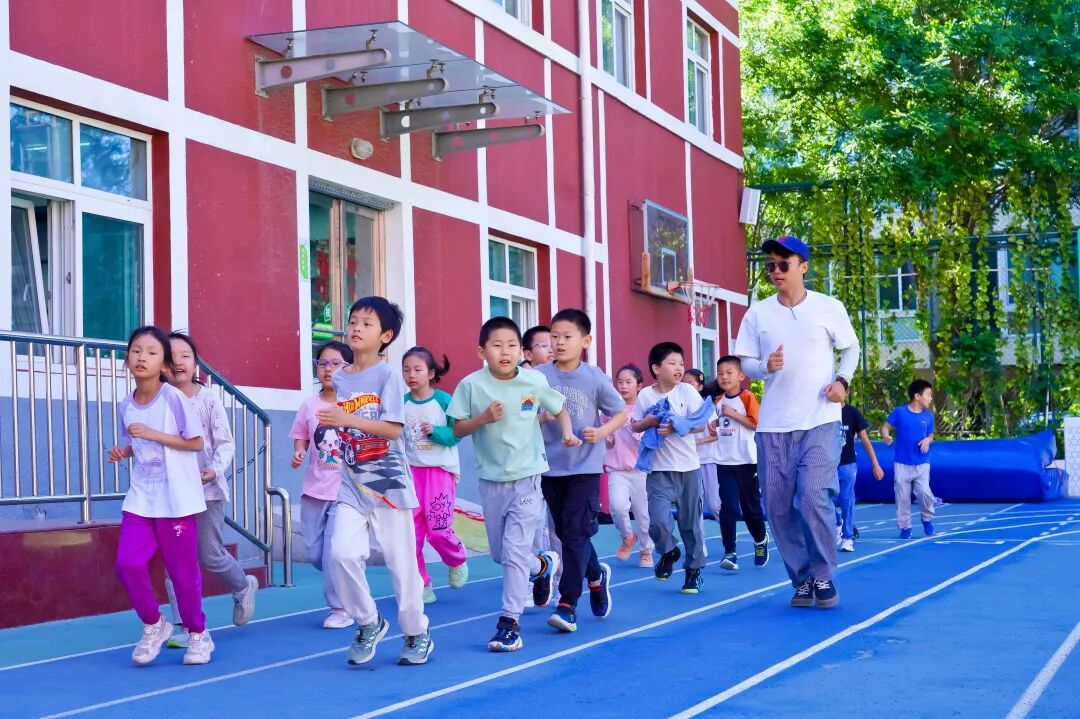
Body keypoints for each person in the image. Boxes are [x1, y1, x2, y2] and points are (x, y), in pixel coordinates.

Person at [734, 235, 859, 609]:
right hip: (773, 427)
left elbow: (851, 347)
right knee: (777, 507)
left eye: (783, 264)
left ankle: (822, 574)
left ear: (803, 267)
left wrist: (842, 381)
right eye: (770, 265)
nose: (775, 271)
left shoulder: (828, 307)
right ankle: (802, 578)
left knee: (813, 496)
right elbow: (746, 362)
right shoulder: (758, 313)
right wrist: (764, 366)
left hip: (820, 421)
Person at [448, 316, 578, 652]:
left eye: (511, 346)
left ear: (520, 351)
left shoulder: (533, 381)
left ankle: (509, 624)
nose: (504, 352)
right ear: (482, 351)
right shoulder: (470, 385)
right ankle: (542, 565)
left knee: (515, 552)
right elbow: (457, 428)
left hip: (528, 477)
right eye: (496, 345)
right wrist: (482, 419)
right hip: (492, 481)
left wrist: (567, 432)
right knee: (500, 554)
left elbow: (559, 409)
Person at [318, 297, 433, 667]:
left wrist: (346, 420)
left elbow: (393, 429)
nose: (356, 328)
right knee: (340, 554)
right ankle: (369, 621)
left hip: (387, 483)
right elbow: (336, 422)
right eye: (353, 320)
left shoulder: (388, 376)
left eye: (367, 323)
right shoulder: (339, 377)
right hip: (351, 482)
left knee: (402, 564)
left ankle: (416, 632)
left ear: (385, 336)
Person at [108, 326, 211, 666]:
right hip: (141, 497)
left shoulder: (174, 398)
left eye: (151, 353)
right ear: (127, 359)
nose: (142, 357)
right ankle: (154, 624)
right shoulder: (126, 404)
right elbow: (138, 442)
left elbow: (196, 442)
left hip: (176, 499)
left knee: (182, 574)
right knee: (127, 564)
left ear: (164, 363)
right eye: (136, 351)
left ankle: (198, 634)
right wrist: (124, 450)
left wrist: (154, 434)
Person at [163, 332, 258, 650]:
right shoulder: (159, 400)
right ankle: (183, 624)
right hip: (171, 495)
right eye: (171, 356)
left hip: (207, 492)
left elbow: (225, 442)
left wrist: (214, 470)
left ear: (196, 365)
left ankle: (243, 585)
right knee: (174, 560)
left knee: (209, 553)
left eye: (185, 356)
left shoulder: (207, 399)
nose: (178, 362)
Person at [537, 309, 628, 633]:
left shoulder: (595, 378)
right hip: (549, 467)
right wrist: (541, 418)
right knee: (567, 534)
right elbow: (525, 414)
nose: (559, 342)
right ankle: (595, 575)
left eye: (567, 337)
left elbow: (620, 413)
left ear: (585, 341)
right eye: (554, 336)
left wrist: (601, 432)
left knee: (575, 534)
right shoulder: (539, 376)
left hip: (586, 467)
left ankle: (567, 604)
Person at [631, 342, 714, 594]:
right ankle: (669, 551)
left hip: (688, 469)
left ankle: (693, 572)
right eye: (672, 363)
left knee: (690, 524)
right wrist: (651, 422)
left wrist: (677, 425)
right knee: (657, 521)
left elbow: (701, 424)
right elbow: (636, 425)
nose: (679, 368)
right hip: (658, 470)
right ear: (656, 368)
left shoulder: (687, 391)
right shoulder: (645, 395)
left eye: (681, 363)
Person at [290, 340, 355, 629]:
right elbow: (301, 435)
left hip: (345, 491)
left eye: (336, 363)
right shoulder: (309, 405)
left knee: (332, 553)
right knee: (314, 553)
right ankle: (344, 573)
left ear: (349, 368)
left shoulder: (355, 404)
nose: (329, 369)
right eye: (323, 363)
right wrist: (299, 451)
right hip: (314, 491)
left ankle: (340, 608)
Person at [401, 346, 468, 604]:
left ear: (430, 373)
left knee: (439, 530)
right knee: (411, 537)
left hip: (439, 473)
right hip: (410, 474)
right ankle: (422, 584)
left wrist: (436, 432)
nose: (411, 375)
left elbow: (456, 434)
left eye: (417, 370)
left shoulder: (443, 400)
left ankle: (456, 559)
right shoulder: (402, 403)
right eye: (406, 370)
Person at [711, 356, 770, 570]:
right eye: (720, 373)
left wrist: (734, 414)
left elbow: (757, 424)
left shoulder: (747, 397)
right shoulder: (718, 400)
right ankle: (730, 552)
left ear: (741, 376)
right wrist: (714, 424)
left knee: (750, 508)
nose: (724, 377)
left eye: (729, 373)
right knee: (728, 507)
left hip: (747, 462)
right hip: (724, 461)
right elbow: (721, 423)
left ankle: (760, 539)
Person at [604, 364, 655, 568]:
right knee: (617, 507)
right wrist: (607, 439)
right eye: (620, 382)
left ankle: (646, 550)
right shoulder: (611, 410)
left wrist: (634, 428)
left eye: (628, 382)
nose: (623, 386)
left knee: (643, 514)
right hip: (617, 470)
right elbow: (607, 438)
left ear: (639, 385)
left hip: (641, 471)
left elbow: (646, 440)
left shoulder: (645, 411)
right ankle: (627, 536)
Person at [882, 379, 936, 539]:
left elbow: (931, 435)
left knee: (924, 492)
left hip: (922, 463)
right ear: (917, 396)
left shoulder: (928, 417)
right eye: (928, 395)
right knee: (902, 497)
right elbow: (886, 427)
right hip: (902, 463)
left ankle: (927, 518)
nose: (931, 398)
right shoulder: (899, 412)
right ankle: (905, 527)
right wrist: (886, 435)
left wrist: (927, 440)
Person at [835, 400, 885, 552]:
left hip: (847, 463)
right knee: (821, 499)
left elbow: (865, 440)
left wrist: (875, 464)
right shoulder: (822, 410)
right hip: (827, 464)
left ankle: (847, 538)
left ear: (846, 392)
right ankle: (838, 521)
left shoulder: (852, 412)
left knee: (846, 499)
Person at [684, 369, 722, 523]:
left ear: (699, 387)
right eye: (683, 384)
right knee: (694, 506)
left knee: (715, 505)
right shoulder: (681, 409)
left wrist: (694, 443)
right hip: (689, 463)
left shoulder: (707, 408)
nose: (686, 387)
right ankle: (698, 539)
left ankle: (729, 533)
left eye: (690, 384)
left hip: (708, 460)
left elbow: (716, 435)